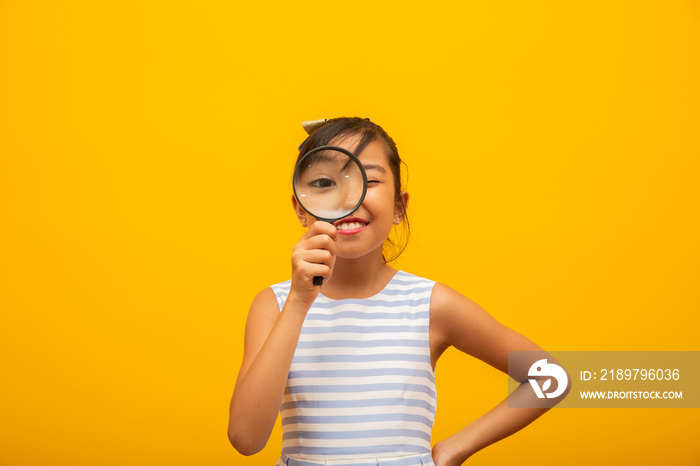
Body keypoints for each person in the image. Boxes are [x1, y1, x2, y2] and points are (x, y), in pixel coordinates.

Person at [228, 117, 568, 466]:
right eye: (326, 182)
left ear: (398, 207)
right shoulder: (275, 305)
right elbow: (245, 439)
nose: (348, 196)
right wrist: (301, 300)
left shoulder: (430, 304)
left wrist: (456, 447)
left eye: (369, 180)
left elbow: (552, 378)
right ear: (301, 208)